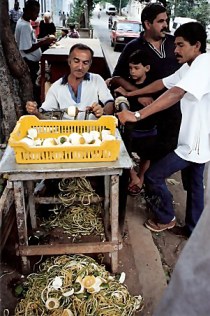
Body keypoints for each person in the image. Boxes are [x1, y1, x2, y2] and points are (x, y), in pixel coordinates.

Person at [117, 22, 210, 237]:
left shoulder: (204, 65)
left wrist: (136, 115)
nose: (175, 50)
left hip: (194, 143)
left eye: (180, 45)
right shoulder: (190, 66)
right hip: (196, 138)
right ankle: (194, 230)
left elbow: (175, 93)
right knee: (196, 186)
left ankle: (165, 217)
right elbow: (162, 83)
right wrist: (131, 94)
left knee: (153, 176)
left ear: (196, 45)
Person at [108, 49, 158, 195]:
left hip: (149, 129)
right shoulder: (126, 83)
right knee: (125, 153)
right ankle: (133, 176)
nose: (133, 71)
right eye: (130, 68)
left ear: (147, 68)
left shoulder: (153, 85)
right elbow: (116, 85)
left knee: (146, 155)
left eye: (137, 68)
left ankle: (141, 176)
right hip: (131, 130)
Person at [26, 43, 114, 120]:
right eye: (76, 61)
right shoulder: (57, 87)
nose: (80, 67)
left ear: (90, 65)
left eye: (85, 63)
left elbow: (109, 102)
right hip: (65, 134)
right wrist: (35, 112)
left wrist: (103, 111)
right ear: (69, 61)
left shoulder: (97, 80)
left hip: (92, 132)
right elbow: (45, 114)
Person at [15, 0, 55, 106]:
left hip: (33, 62)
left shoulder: (26, 23)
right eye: (35, 12)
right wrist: (44, 42)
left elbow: (32, 41)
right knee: (35, 87)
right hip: (29, 63)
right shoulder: (23, 26)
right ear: (27, 11)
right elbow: (27, 48)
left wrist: (43, 39)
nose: (37, 15)